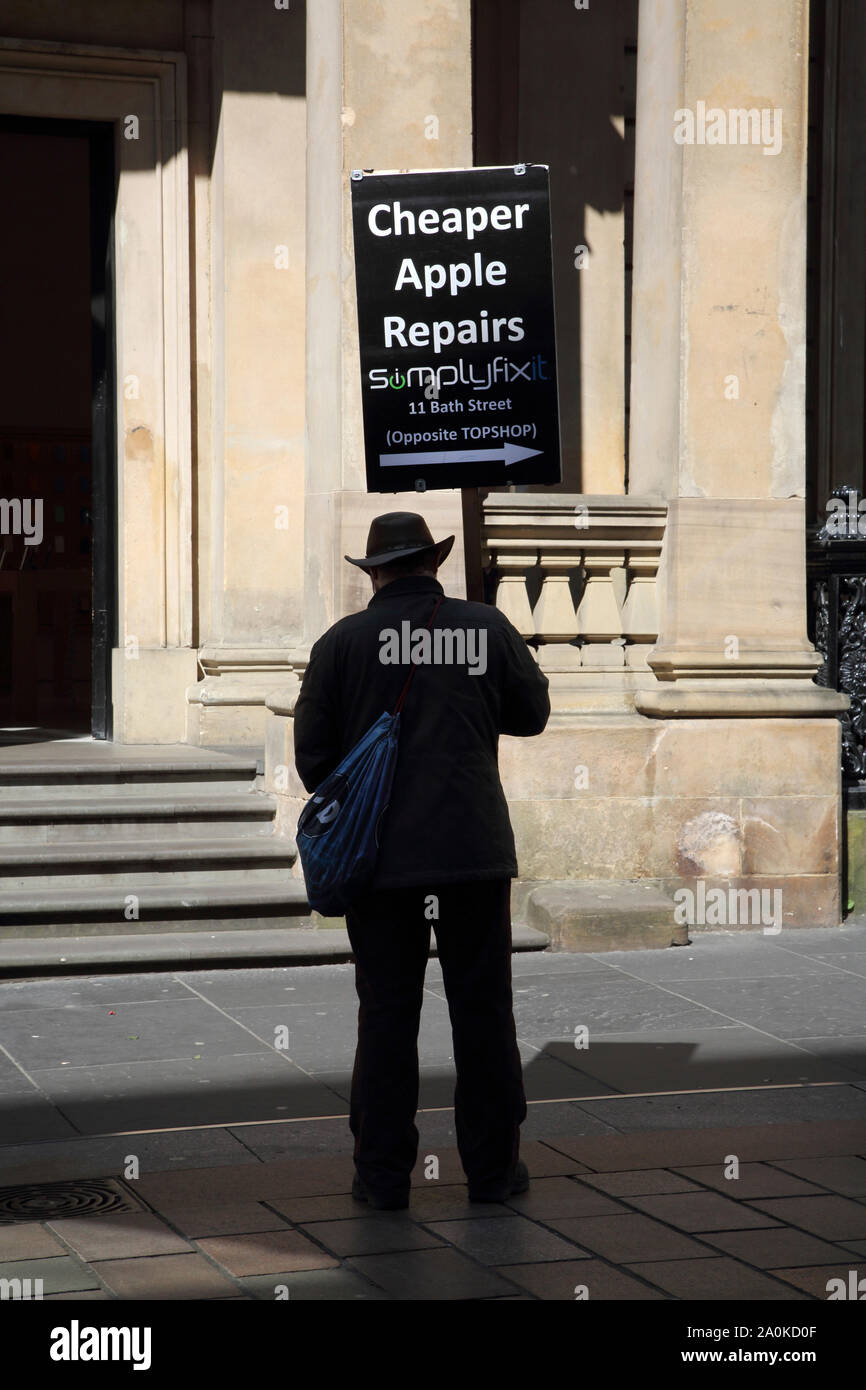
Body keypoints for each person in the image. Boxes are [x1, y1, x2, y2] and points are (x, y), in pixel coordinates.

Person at [293, 511, 550, 1209]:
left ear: (374, 572)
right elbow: (532, 715)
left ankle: (381, 1181)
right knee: (484, 1013)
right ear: (433, 564)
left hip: (379, 864)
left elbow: (314, 760)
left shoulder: (340, 642)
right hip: (471, 855)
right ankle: (493, 1173)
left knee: (385, 1016)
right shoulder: (484, 628)